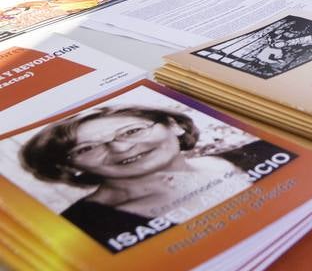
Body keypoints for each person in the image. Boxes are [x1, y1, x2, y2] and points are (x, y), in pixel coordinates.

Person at [20, 103, 293, 251]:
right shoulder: (80, 230)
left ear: (174, 125)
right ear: (69, 166)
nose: (121, 148)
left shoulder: (260, 153)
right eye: (87, 148)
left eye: (131, 131)